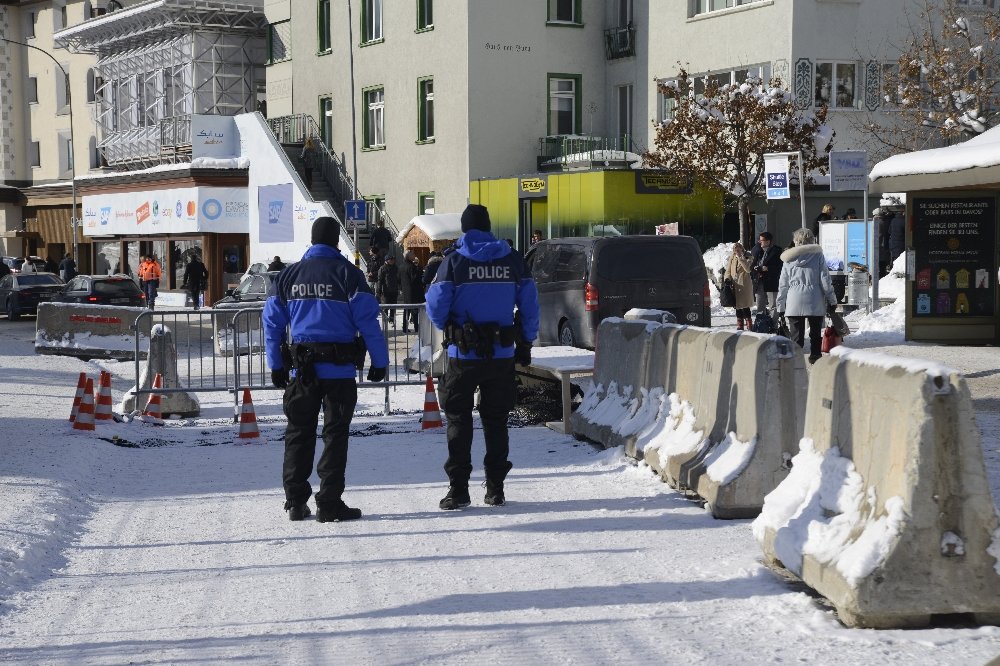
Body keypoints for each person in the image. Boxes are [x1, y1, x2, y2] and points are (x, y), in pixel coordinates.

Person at [263, 216, 389, 523]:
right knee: (335, 436)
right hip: (339, 372)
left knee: (298, 433)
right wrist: (380, 362)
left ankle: (295, 502)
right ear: (335, 240)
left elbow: (272, 324)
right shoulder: (349, 274)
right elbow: (367, 324)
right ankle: (329, 503)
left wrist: (276, 365)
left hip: (302, 372)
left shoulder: (288, 275)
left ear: (312, 239)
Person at [425, 204, 540, 510]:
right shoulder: (512, 259)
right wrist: (526, 342)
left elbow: (435, 306)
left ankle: (459, 490)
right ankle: (496, 489)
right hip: (501, 354)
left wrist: (449, 325)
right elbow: (530, 305)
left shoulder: (453, 261)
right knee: (496, 421)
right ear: (489, 227)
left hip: (462, 354)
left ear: (464, 228)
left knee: (459, 420)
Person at [776, 228, 837, 365]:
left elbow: (783, 284)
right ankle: (815, 357)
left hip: (794, 300)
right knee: (815, 333)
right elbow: (825, 280)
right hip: (815, 299)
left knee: (796, 335)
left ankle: (796, 361)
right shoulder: (818, 256)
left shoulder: (788, 258)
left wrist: (780, 305)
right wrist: (832, 299)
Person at [750, 231, 782, 316]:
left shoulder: (776, 251)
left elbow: (780, 267)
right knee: (760, 305)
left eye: (762, 240)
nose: (759, 242)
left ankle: (773, 326)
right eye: (759, 240)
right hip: (759, 281)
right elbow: (752, 260)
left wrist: (767, 268)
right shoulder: (758, 250)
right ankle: (761, 326)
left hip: (771, 282)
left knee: (773, 306)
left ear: (768, 241)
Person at [726, 242, 754, 330]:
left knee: (745, 305)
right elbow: (728, 270)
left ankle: (749, 323)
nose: (736, 251)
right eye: (735, 250)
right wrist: (727, 278)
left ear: (742, 249)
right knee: (737, 305)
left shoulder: (748, 256)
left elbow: (748, 269)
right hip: (735, 285)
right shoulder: (732, 257)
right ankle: (740, 324)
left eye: (738, 249)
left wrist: (741, 257)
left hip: (744, 285)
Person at [400, 251, 424, 333]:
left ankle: (404, 327)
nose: (414, 255)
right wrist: (419, 270)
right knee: (414, 310)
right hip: (413, 291)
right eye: (413, 254)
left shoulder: (401, 266)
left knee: (406, 310)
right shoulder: (411, 266)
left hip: (405, 291)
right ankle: (416, 328)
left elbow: (399, 279)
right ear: (409, 256)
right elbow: (415, 279)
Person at [376, 254, 399, 322]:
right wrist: (379, 291)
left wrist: (399, 288)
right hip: (386, 291)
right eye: (391, 259)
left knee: (393, 307)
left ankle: (392, 320)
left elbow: (398, 279)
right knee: (386, 307)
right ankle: (385, 320)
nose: (393, 261)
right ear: (386, 261)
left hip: (394, 290)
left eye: (393, 259)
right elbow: (380, 280)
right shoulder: (382, 268)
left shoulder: (395, 268)